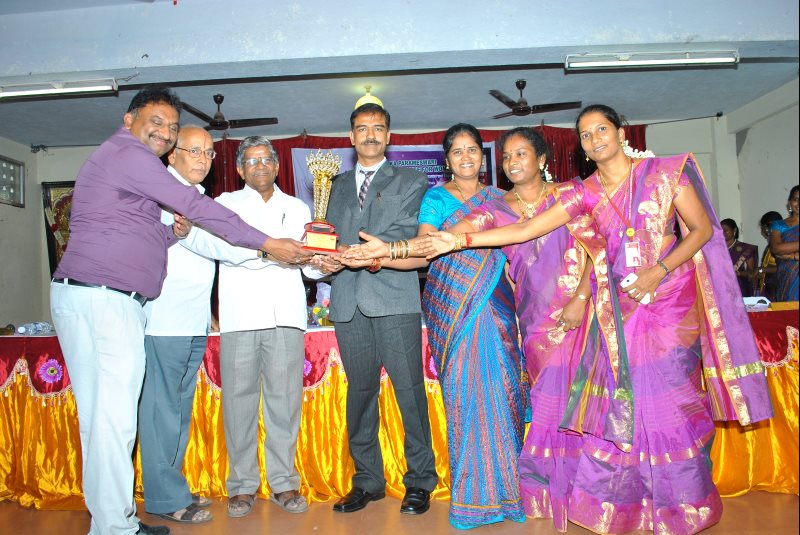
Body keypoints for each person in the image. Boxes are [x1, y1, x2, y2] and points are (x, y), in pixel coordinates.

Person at [420, 104, 773, 534]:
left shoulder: (665, 174)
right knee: (630, 404)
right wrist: (456, 240)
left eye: (601, 129)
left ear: (621, 133)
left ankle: (683, 506)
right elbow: (524, 231)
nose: (594, 139)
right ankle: (639, 504)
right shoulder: (583, 192)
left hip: (668, 303)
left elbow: (700, 230)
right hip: (616, 306)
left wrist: (657, 271)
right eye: (586, 135)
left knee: (670, 404)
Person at [49, 87, 309, 535]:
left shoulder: (134, 173)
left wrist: (175, 234)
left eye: (172, 126)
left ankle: (112, 524)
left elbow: (147, 234)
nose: (165, 132)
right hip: (106, 299)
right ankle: (122, 522)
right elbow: (196, 210)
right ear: (129, 121)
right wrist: (268, 244)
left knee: (105, 422)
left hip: (110, 298)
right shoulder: (133, 158)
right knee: (116, 420)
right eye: (158, 122)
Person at [344, 126, 593, 531]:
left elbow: (522, 248)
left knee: (506, 396)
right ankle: (474, 498)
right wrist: (383, 256)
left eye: (472, 150)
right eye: (457, 151)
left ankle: (515, 492)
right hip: (453, 310)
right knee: (465, 398)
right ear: (446, 160)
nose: (465, 157)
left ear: (483, 157)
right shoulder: (436, 199)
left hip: (500, 307)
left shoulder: (501, 199)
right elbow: (425, 252)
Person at [181, 136, 319, 518]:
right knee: (238, 405)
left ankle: (283, 482)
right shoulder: (225, 205)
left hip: (287, 317)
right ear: (241, 169)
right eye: (252, 161)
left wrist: (322, 261)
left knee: (284, 403)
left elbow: (307, 266)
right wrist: (266, 250)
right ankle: (242, 485)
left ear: (277, 166)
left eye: (266, 160)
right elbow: (213, 246)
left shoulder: (298, 207)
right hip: (240, 317)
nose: (260, 166)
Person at [315, 102, 438, 515]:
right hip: (348, 301)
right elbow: (325, 238)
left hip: (394, 299)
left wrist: (363, 253)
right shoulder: (331, 186)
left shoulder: (411, 180)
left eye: (378, 128)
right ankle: (367, 480)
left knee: (409, 392)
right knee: (361, 394)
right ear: (351, 137)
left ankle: (420, 480)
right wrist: (324, 259)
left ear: (388, 136)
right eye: (362, 128)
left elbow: (407, 232)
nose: (370, 134)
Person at [137, 125, 217, 525]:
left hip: (193, 322)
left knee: (178, 412)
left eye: (209, 153)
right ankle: (165, 498)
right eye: (194, 151)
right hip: (162, 322)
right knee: (160, 414)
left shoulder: (198, 198)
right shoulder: (156, 195)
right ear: (173, 155)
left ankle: (171, 486)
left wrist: (209, 315)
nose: (203, 159)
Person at [769, 185, 799, 301]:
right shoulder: (778, 225)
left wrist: (792, 256)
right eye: (796, 199)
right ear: (789, 203)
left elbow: (782, 249)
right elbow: (776, 248)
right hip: (788, 276)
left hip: (789, 263)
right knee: (789, 310)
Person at [721, 218, 758, 297]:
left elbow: (752, 273)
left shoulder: (745, 249)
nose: (723, 233)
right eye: (720, 230)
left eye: (726, 230)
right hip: (721, 289)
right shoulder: (717, 249)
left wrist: (738, 273)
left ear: (734, 230)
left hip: (740, 288)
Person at [754, 211, 782, 299]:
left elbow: (783, 266)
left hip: (777, 286)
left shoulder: (781, 244)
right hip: (768, 285)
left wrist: (761, 270)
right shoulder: (771, 245)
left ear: (766, 228)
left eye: (762, 227)